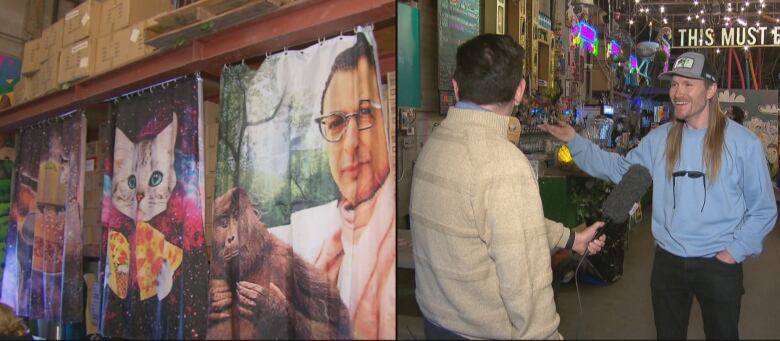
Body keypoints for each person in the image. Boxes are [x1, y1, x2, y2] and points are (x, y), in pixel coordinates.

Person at [540, 51, 777, 339]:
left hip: (719, 264)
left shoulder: (743, 143)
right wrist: (574, 142)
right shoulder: (660, 139)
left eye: (688, 85)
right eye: (675, 84)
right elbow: (619, 170)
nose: (678, 92)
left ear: (711, 90)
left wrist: (733, 253)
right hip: (669, 262)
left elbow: (763, 209)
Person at [410, 34, 606, 340]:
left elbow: (502, 226)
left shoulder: (434, 144)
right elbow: (525, 285)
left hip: (437, 323)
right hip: (481, 332)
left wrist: (571, 238)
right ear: (520, 91)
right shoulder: (504, 165)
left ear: (456, 86)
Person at [269, 32, 394, 339]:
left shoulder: (387, 235)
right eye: (336, 122)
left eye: (365, 113)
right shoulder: (309, 237)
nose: (351, 143)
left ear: (386, 122)